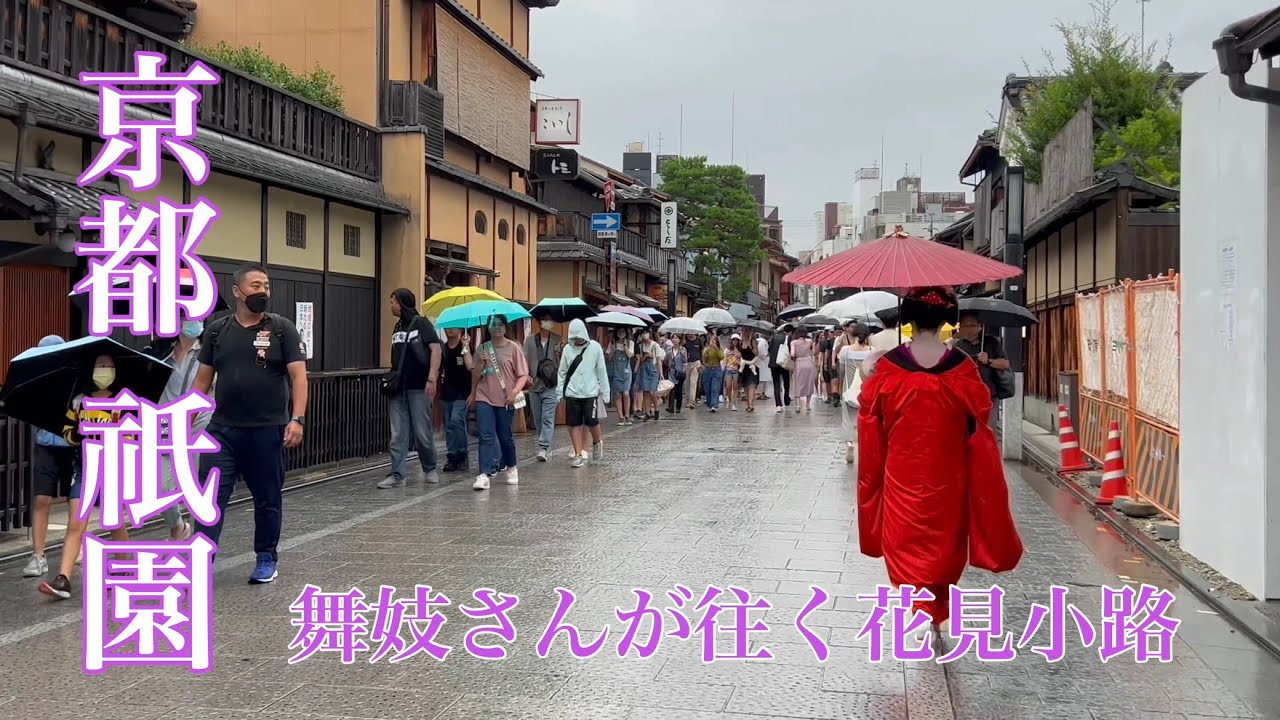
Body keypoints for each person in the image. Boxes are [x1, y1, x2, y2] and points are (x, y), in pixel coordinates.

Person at [856, 286, 1023, 646]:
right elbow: (980, 418)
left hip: (901, 473)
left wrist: (871, 376)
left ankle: (918, 607)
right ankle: (935, 612)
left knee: (904, 544)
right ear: (948, 320)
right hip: (949, 474)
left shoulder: (888, 368)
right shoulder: (961, 367)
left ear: (908, 320)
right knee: (945, 546)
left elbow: (871, 417)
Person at [193, 263, 308, 585]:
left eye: (266, 287)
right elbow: (202, 383)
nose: (263, 292)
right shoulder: (217, 331)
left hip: (267, 429)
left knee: (267, 498)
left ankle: (266, 557)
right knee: (210, 498)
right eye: (256, 286)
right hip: (222, 430)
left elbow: (298, 376)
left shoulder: (282, 329)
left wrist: (296, 419)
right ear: (237, 291)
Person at [39, 354, 131, 599]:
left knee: (114, 522)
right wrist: (79, 434)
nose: (105, 370)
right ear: (91, 369)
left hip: (112, 468)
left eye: (109, 366)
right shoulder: (79, 402)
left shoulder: (122, 401)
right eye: (100, 365)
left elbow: (133, 436)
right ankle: (63, 578)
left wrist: (114, 433)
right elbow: (67, 432)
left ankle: (124, 569)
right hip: (84, 470)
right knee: (75, 523)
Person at [153, 317, 214, 537]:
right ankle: (177, 526)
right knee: (160, 485)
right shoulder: (159, 350)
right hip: (165, 423)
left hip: (200, 419)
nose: (193, 322)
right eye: (187, 318)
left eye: (197, 318)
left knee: (198, 481)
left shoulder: (208, 350)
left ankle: (202, 536)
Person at [378, 288, 442, 489]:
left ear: (401, 303)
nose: (391, 306)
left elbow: (436, 349)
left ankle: (430, 467)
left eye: (393, 302)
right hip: (398, 387)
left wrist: (431, 378)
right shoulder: (397, 326)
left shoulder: (421, 324)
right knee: (397, 433)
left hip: (418, 386)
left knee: (422, 430)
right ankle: (397, 474)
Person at [23, 335, 76, 578]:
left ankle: (75, 547)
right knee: (41, 498)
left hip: (72, 447)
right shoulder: (36, 381)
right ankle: (38, 555)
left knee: (74, 501)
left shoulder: (75, 381)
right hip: (44, 445)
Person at [469, 315, 530, 491]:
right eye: (492, 324)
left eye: (499, 324)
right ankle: (484, 474)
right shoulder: (482, 348)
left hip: (505, 398)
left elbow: (523, 374)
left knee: (504, 436)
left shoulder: (513, 348)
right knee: (486, 435)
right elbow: (475, 375)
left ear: (505, 327)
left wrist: (515, 391)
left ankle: (511, 466)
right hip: (484, 396)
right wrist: (480, 363)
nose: (496, 327)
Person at [556, 319, 609, 469]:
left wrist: (605, 392)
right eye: (574, 336)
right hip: (572, 393)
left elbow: (601, 371)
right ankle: (578, 454)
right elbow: (562, 372)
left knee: (592, 421)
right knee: (575, 424)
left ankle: (597, 441)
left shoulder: (595, 348)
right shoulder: (567, 349)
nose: (577, 338)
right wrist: (560, 391)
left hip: (590, 392)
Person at [952, 310, 1012, 430]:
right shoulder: (956, 345)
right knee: (965, 432)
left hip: (988, 396)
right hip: (964, 397)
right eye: (965, 325)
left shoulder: (992, 343)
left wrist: (989, 361)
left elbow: (1005, 364)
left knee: (987, 431)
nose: (969, 328)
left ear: (980, 326)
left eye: (972, 325)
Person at [524, 310, 562, 462]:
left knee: (548, 417)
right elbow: (524, 360)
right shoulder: (529, 341)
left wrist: (559, 352)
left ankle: (544, 446)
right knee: (538, 418)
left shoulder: (557, 339)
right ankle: (546, 446)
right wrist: (525, 374)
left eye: (550, 319)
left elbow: (561, 364)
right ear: (539, 322)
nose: (548, 322)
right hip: (534, 384)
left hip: (551, 384)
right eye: (545, 319)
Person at [439, 327, 474, 472]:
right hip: (446, 392)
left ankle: (462, 453)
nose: (449, 330)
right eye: (447, 327)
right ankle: (452, 456)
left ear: (460, 329)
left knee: (456, 420)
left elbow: (470, 366)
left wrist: (465, 346)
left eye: (453, 327)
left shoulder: (464, 347)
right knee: (449, 426)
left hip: (462, 392)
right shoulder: (443, 348)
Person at [837, 323, 872, 463]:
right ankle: (864, 445)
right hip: (866, 389)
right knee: (865, 419)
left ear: (853, 334)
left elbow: (841, 371)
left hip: (848, 387)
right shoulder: (872, 351)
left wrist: (840, 387)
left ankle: (850, 444)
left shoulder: (845, 350)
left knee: (847, 420)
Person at [606, 328, 635, 425]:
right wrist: (613, 350)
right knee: (617, 394)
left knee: (626, 393)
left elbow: (630, 356)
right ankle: (621, 417)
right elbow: (608, 358)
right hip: (616, 371)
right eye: (619, 331)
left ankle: (627, 415)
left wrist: (625, 346)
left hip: (626, 372)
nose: (621, 333)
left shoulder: (630, 343)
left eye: (623, 331)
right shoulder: (612, 343)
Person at [634, 329, 663, 421]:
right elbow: (640, 360)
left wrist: (661, 373)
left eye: (646, 333)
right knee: (645, 392)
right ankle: (647, 412)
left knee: (652, 392)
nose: (644, 335)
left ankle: (656, 408)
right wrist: (646, 356)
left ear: (650, 334)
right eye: (642, 333)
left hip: (653, 370)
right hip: (644, 370)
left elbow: (658, 360)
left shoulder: (655, 345)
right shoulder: (640, 346)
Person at [790, 327, 818, 413]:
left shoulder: (793, 342)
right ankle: (808, 404)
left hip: (799, 363)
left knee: (797, 383)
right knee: (809, 383)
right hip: (809, 362)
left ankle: (798, 405)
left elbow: (792, 354)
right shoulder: (810, 342)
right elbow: (813, 352)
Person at [769, 327, 792, 413]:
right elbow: (790, 350)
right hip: (784, 362)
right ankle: (786, 398)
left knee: (776, 383)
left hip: (774, 363)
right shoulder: (788, 338)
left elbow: (769, 349)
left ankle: (778, 404)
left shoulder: (774, 337)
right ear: (790, 331)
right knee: (786, 381)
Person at [701, 333, 725, 413]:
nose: (713, 342)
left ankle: (714, 405)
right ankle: (710, 403)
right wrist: (709, 349)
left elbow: (721, 357)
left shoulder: (719, 349)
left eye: (715, 340)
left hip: (717, 369)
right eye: (712, 340)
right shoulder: (706, 349)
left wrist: (716, 349)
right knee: (708, 388)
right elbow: (704, 358)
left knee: (715, 388)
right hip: (708, 369)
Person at [666, 335, 688, 414]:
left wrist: (682, 354)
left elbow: (685, 361)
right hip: (671, 371)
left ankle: (678, 406)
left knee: (678, 389)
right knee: (671, 389)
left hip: (680, 372)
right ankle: (670, 407)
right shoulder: (669, 349)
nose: (674, 340)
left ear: (680, 340)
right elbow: (666, 360)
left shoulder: (683, 349)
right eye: (673, 338)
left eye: (676, 338)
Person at [740, 332, 760, 413]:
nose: (744, 332)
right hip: (744, 366)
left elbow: (757, 353)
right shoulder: (741, 341)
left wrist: (751, 347)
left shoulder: (753, 341)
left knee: (751, 385)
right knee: (745, 386)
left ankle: (751, 404)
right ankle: (748, 403)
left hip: (752, 365)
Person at [684, 332, 704, 409]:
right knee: (687, 383)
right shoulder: (685, 341)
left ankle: (692, 401)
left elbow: (701, 351)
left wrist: (702, 363)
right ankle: (687, 400)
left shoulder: (699, 340)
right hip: (687, 363)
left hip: (696, 362)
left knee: (693, 382)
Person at [724, 335, 743, 412]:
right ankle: (730, 398)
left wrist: (739, 361)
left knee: (735, 387)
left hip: (736, 370)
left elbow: (741, 360)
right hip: (728, 369)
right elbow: (724, 359)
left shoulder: (739, 350)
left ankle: (733, 403)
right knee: (728, 387)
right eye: (734, 340)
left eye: (736, 340)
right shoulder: (727, 350)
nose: (735, 342)